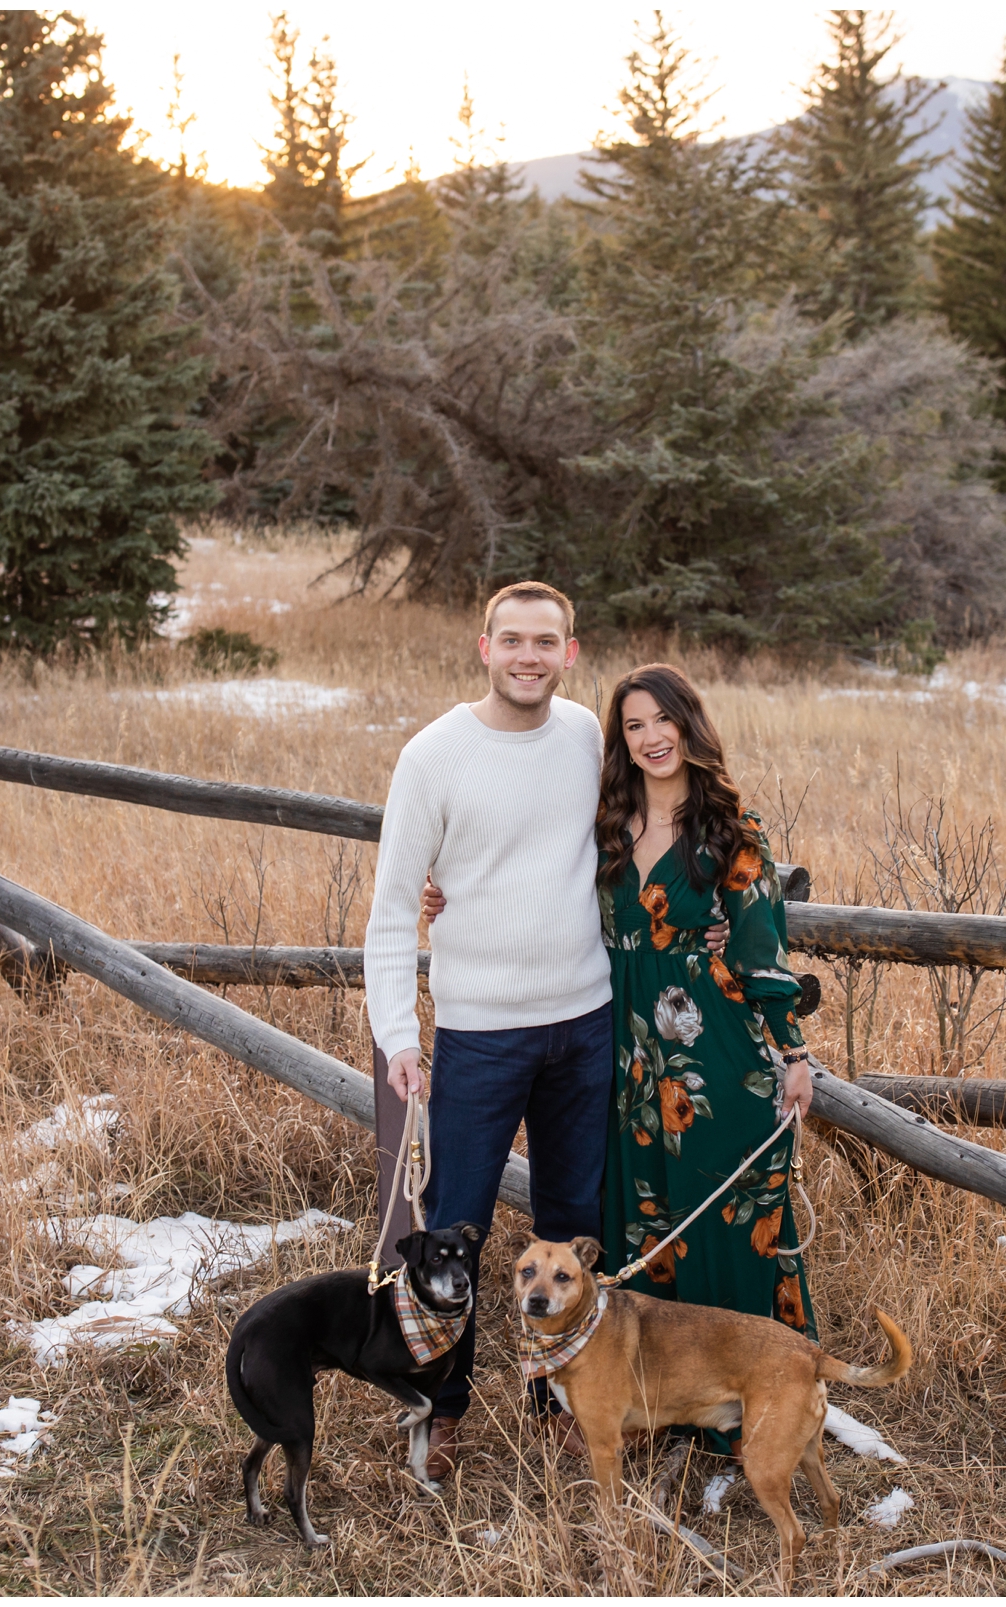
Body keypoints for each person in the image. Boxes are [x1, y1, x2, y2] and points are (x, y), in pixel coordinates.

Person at [362, 581, 613, 1479]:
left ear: (570, 652)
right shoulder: (434, 756)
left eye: (546, 642)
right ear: (484, 647)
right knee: (453, 1231)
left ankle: (563, 1402)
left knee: (577, 1223)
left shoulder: (589, 736)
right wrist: (399, 1035)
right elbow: (394, 910)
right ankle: (444, 1407)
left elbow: (641, 839)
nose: (529, 657)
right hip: (478, 1034)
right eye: (512, 640)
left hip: (587, 1022)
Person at [593, 664, 817, 1402]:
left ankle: (756, 1396)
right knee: (647, 1213)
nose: (652, 737)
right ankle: (667, 1396)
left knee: (728, 1218)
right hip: (627, 1054)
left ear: (690, 726)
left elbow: (763, 952)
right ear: (620, 740)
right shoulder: (603, 826)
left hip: (713, 1050)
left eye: (664, 719)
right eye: (634, 725)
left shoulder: (730, 829)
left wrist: (792, 1053)